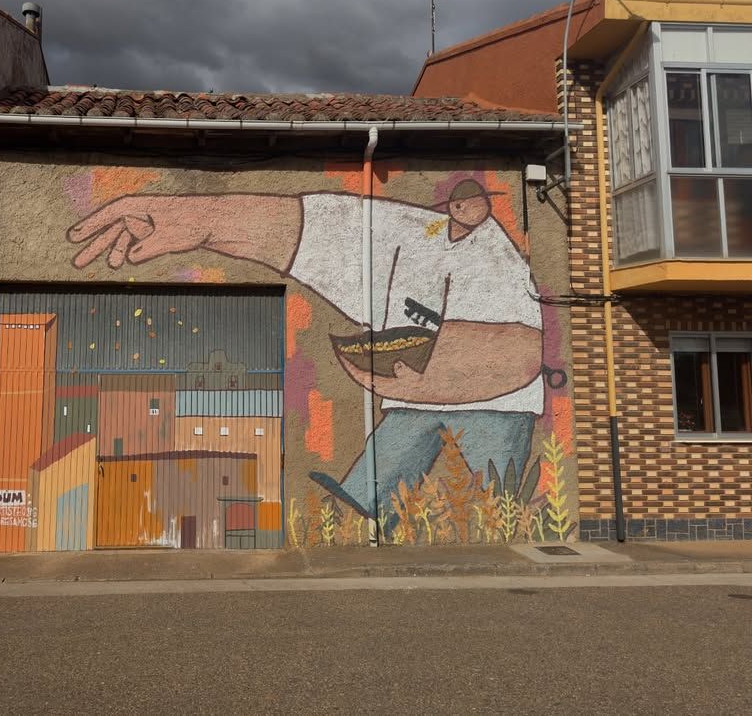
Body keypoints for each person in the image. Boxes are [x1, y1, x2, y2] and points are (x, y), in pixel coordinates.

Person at [67, 177, 543, 523]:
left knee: (493, 501)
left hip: (497, 406)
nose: (461, 211)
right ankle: (362, 507)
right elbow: (318, 230)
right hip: (409, 390)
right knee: (388, 468)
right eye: (456, 205)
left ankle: (480, 520)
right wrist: (205, 221)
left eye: (471, 204)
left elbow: (518, 352)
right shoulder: (418, 235)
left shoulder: (499, 258)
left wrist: (431, 370)